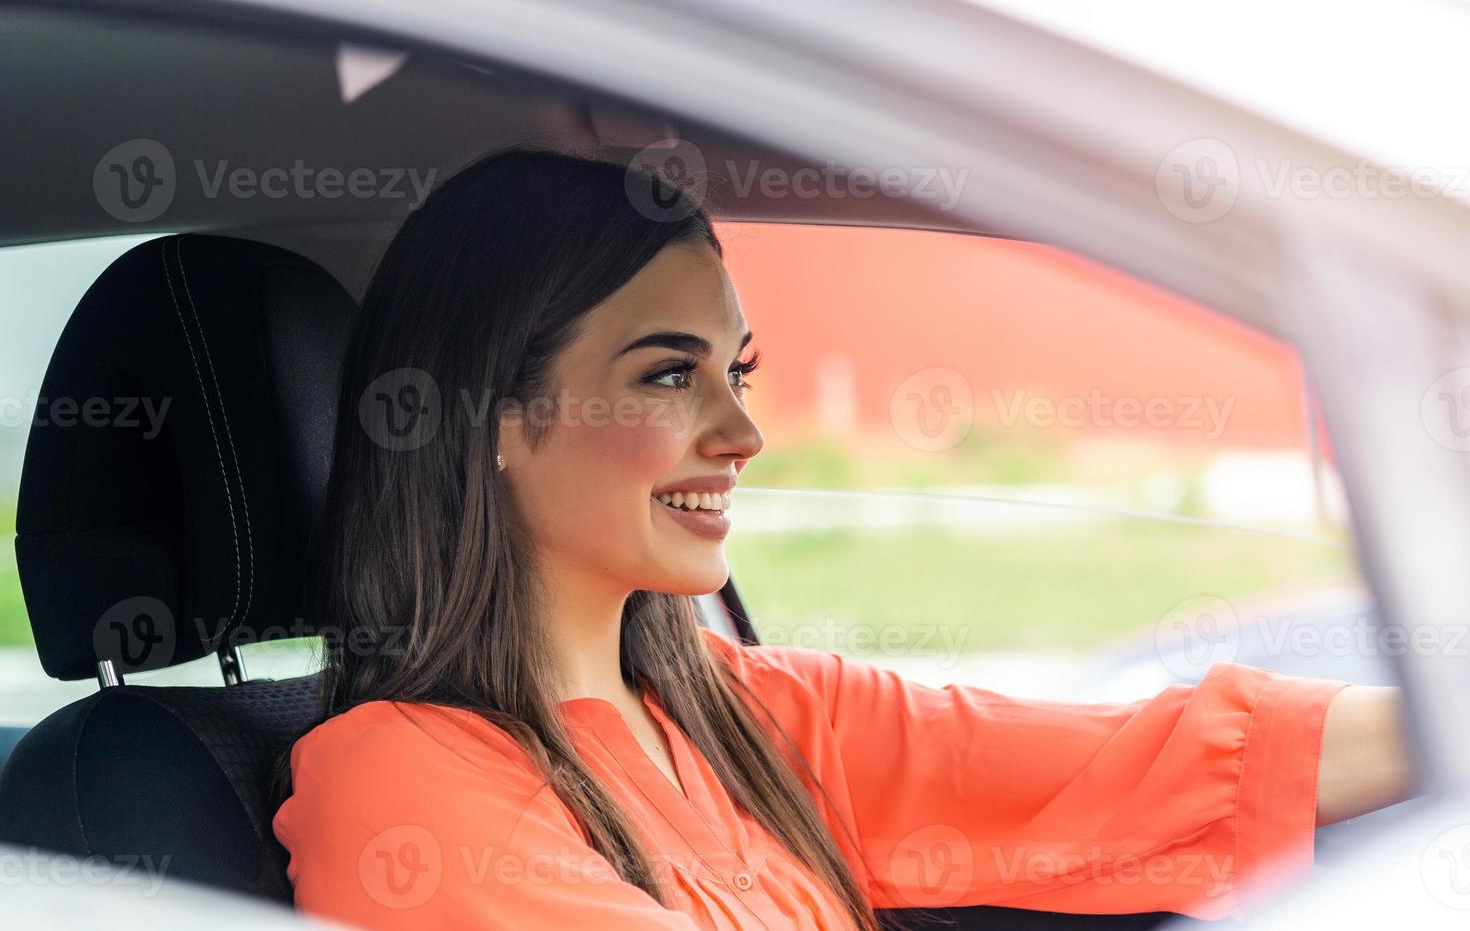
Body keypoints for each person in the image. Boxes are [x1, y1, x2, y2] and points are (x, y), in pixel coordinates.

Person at [270, 146, 1415, 930]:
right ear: (499, 422)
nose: (744, 431)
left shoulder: (746, 712)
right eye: (672, 373)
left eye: (741, 370)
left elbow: (1137, 763)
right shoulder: (393, 778)